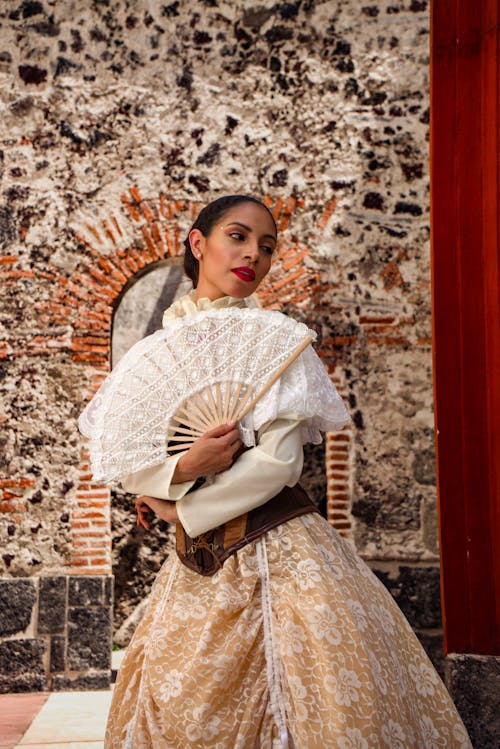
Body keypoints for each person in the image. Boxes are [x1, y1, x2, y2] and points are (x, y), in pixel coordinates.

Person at [102, 195, 471, 748]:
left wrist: (183, 508)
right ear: (197, 243)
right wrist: (186, 465)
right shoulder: (156, 352)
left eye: (268, 246)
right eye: (238, 236)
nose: (254, 253)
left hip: (281, 547)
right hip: (196, 564)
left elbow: (279, 462)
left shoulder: (279, 341)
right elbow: (129, 459)